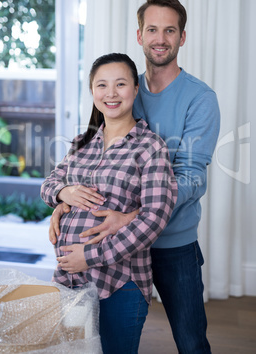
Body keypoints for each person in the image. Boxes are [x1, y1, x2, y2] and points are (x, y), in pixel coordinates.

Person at [49, 0, 220, 353]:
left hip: (173, 241)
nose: (161, 38)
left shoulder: (200, 98)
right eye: (152, 29)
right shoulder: (121, 86)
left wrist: (135, 217)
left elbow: (191, 176)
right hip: (114, 250)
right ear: (139, 35)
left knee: (190, 340)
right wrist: (63, 199)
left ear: (182, 37)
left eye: (169, 30)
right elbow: (89, 163)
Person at [41, 52, 178, 354]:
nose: (111, 93)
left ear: (135, 89)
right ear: (92, 91)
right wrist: (64, 194)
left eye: (120, 84)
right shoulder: (82, 143)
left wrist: (91, 255)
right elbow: (49, 184)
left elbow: (155, 217)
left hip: (120, 282)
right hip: (71, 279)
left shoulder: (150, 147)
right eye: (102, 85)